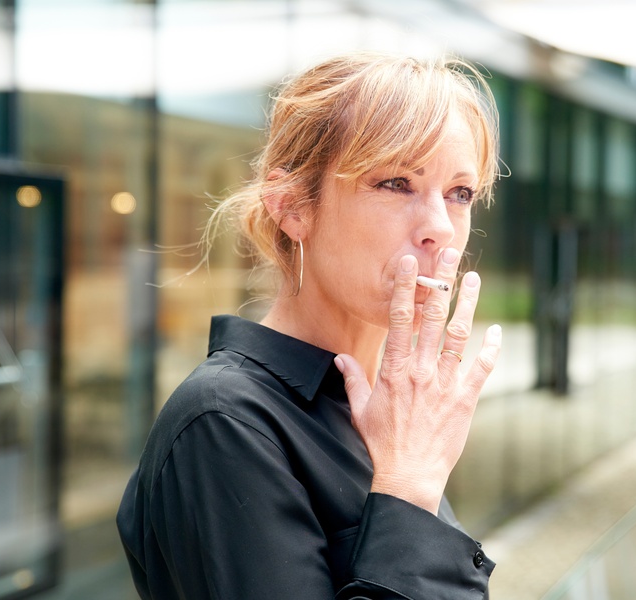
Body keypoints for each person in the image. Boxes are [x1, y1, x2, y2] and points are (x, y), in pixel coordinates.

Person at [117, 52, 503, 599]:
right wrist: (411, 489)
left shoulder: (384, 410)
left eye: (460, 193)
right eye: (396, 182)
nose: (440, 227)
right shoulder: (225, 422)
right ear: (293, 206)